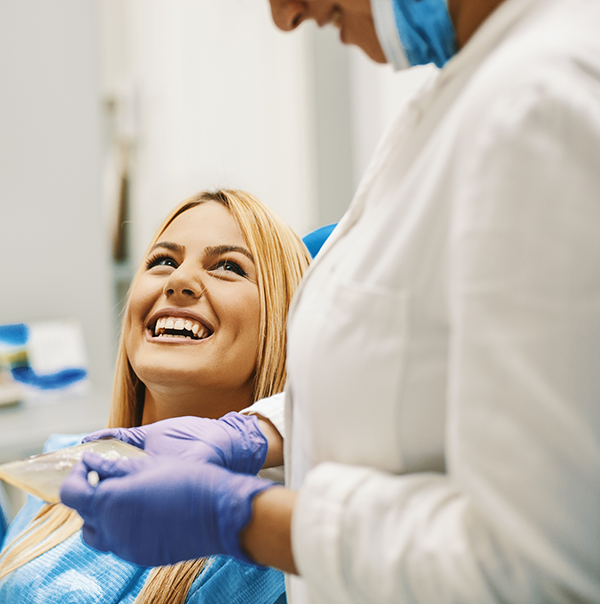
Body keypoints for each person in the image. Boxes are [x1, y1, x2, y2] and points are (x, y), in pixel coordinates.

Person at [61, 0, 600, 602]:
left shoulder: (545, 103)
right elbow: (421, 385)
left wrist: (242, 517)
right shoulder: (467, 92)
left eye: (230, 267)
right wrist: (259, 432)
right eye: (161, 259)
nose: (284, 16)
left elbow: (544, 567)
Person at [0, 188, 311, 603]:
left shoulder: (282, 545)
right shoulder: (63, 465)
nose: (179, 280)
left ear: (285, 322)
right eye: (163, 261)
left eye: (228, 267)